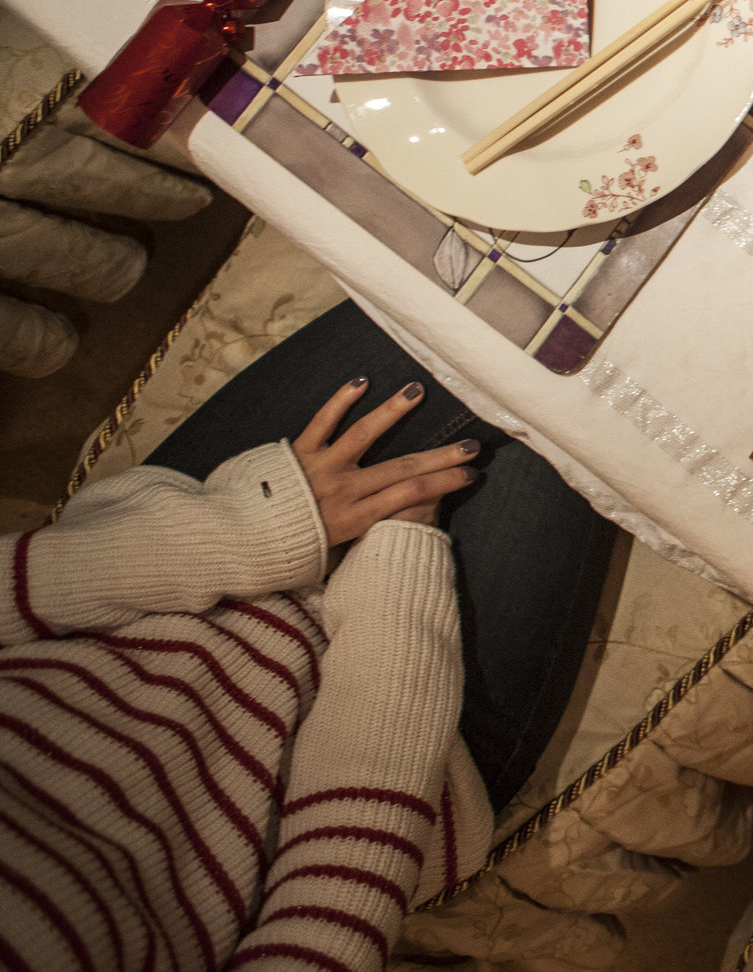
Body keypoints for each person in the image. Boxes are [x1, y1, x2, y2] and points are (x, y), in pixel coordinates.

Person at [0, 301, 618, 971]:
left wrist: (257, 528)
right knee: (606, 380)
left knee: (493, 296)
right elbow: (327, 926)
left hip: (165, 561)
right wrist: (401, 564)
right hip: (400, 765)